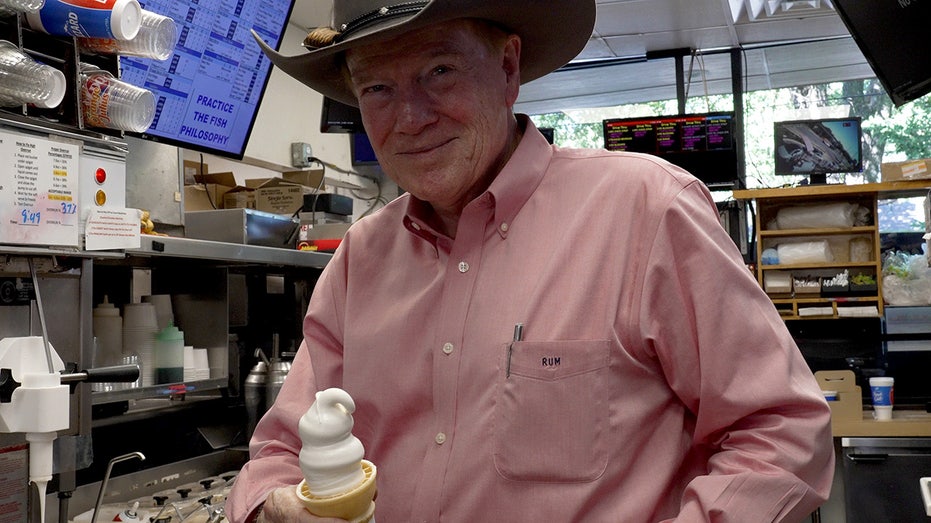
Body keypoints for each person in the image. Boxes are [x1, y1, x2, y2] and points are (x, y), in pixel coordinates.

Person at [227, 1, 835, 521]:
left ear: (509, 66)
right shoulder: (361, 258)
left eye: (439, 71)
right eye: (377, 89)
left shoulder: (646, 210)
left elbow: (779, 429)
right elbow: (278, 452)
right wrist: (275, 504)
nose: (410, 117)